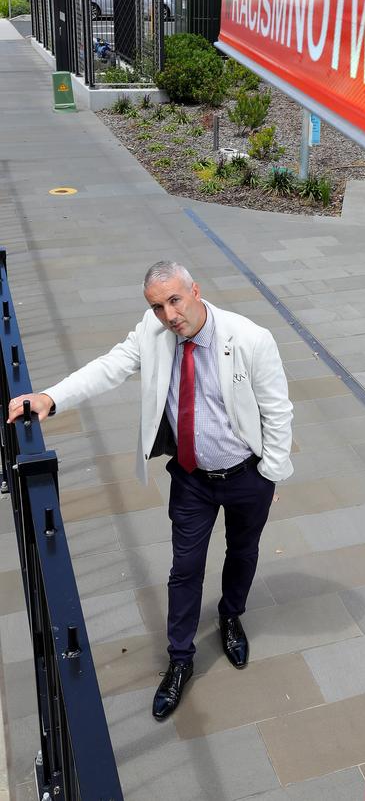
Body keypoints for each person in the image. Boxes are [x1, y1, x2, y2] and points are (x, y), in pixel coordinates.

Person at [7, 261, 293, 720]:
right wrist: (50, 397)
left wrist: (271, 474)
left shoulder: (250, 339)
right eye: (157, 307)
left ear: (195, 291)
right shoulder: (153, 331)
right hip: (192, 480)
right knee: (184, 569)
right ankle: (180, 659)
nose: (168, 315)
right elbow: (110, 367)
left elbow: (278, 412)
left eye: (174, 300)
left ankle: (230, 615)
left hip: (245, 475)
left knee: (243, 551)